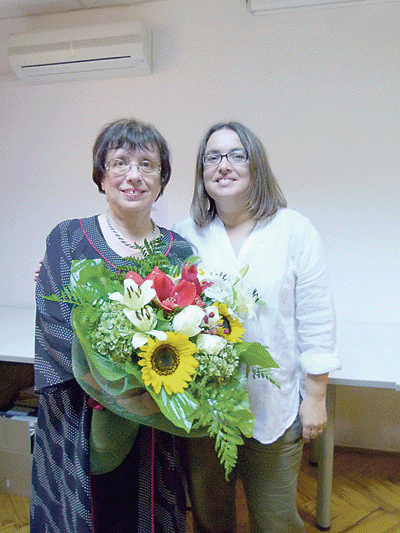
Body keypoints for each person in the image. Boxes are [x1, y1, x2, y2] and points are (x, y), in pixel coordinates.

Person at [173, 121, 341, 533]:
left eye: (236, 155)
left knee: (276, 519)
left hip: (273, 404)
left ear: (256, 165)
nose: (223, 165)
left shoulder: (294, 230)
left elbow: (316, 318)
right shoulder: (185, 234)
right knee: (211, 518)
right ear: (201, 171)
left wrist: (316, 396)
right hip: (205, 408)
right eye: (212, 157)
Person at [32, 118, 194, 533]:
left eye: (147, 164)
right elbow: (54, 326)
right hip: (79, 414)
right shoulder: (68, 238)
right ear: (101, 176)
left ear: (161, 180)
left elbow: (193, 332)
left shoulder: (179, 251)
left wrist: (149, 391)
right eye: (120, 162)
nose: (134, 175)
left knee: (144, 512)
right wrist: (113, 387)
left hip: (156, 415)